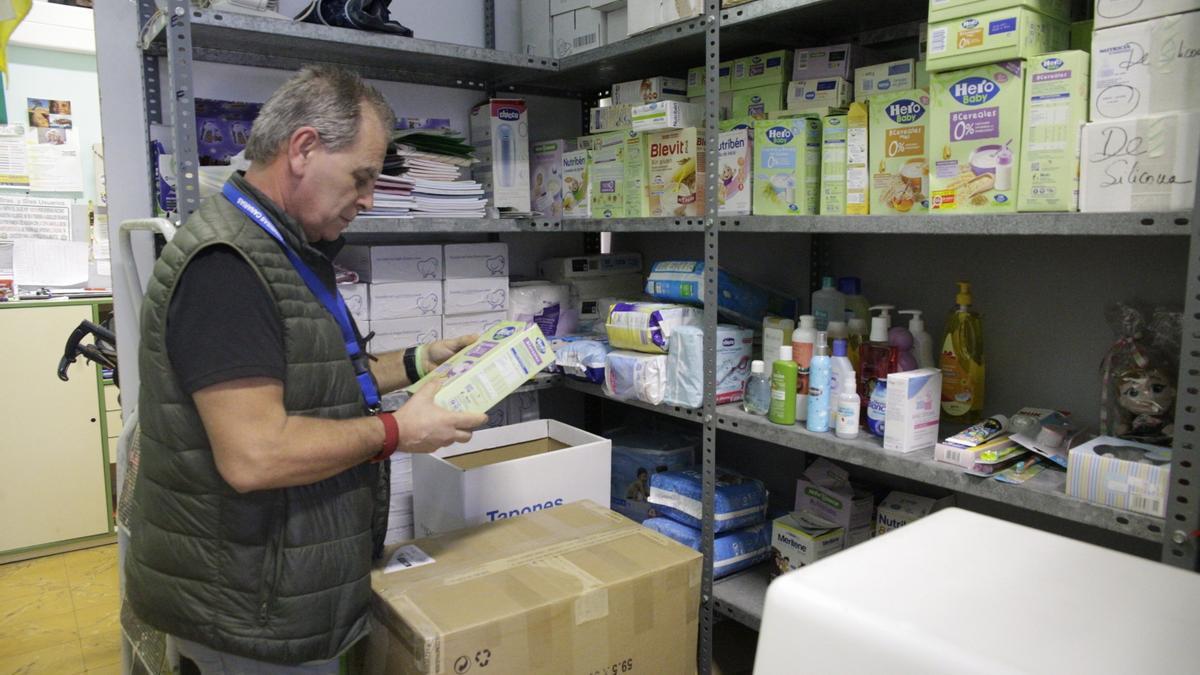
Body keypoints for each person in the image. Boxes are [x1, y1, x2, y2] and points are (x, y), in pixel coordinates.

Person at [124, 65, 488, 673]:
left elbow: (311, 373)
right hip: (245, 611)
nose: (369, 199)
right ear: (303, 149)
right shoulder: (227, 266)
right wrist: (398, 433)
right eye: (361, 177)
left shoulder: (277, 247)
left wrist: (419, 361)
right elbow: (255, 454)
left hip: (268, 593)